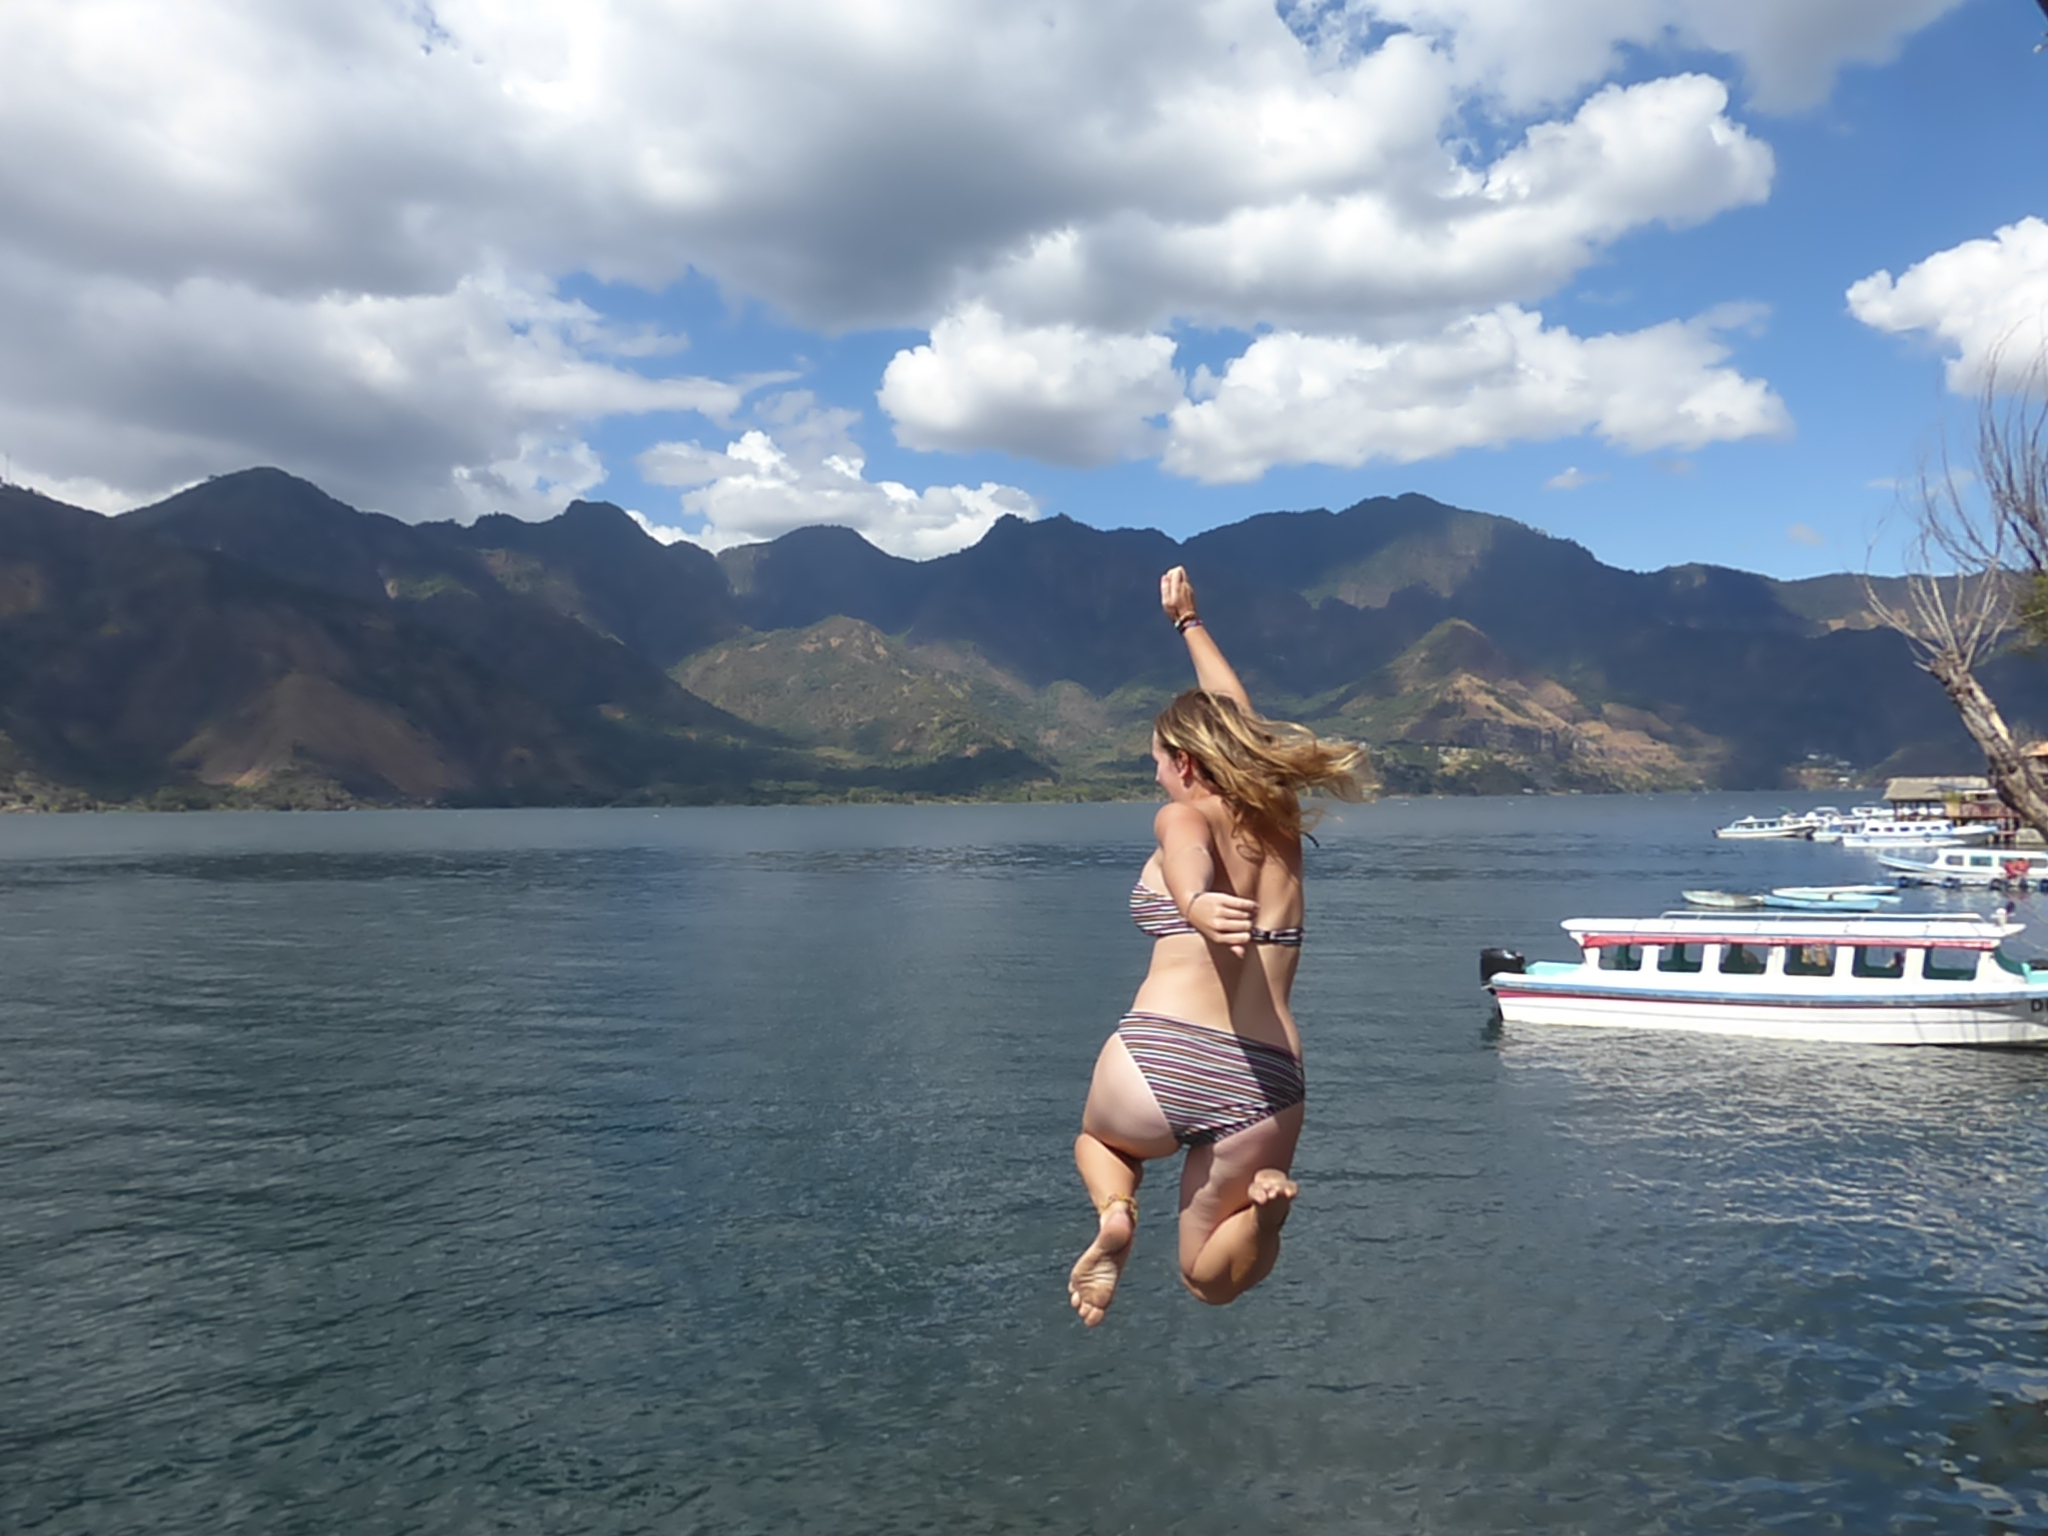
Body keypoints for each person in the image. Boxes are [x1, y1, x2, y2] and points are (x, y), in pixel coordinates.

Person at [1068, 566, 1366, 1326]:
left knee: (1103, 1142)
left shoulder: (1183, 814)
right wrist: (1190, 623)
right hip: (1263, 1082)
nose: (1157, 775)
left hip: (1160, 1052)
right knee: (1209, 1279)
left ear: (1187, 764)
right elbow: (1236, 713)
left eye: (1157, 761)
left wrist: (1197, 903)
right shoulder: (1279, 815)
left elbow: (1186, 853)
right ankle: (1267, 1212)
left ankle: (1116, 1212)